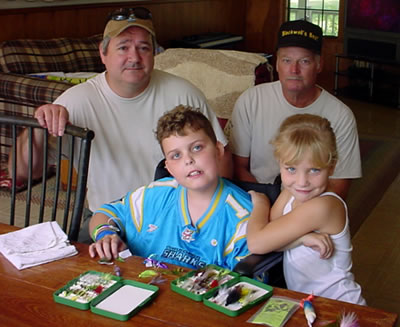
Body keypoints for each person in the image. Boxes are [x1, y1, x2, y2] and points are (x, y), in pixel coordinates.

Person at [10, 7, 231, 242]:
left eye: (143, 48)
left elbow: (221, 156)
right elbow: (21, 172)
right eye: (123, 47)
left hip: (177, 219)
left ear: (154, 54)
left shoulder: (183, 93)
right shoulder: (75, 102)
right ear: (103, 53)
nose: (134, 58)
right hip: (107, 219)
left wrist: (214, 214)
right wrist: (39, 128)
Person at [88, 105, 251, 270]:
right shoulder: (153, 196)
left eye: (197, 148)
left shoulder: (242, 217)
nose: (188, 160)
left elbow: (243, 285)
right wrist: (106, 234)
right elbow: (104, 213)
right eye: (176, 155)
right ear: (169, 168)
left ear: (218, 151)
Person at [230, 19, 361, 199]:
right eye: (286, 60)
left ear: (319, 64)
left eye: (304, 61)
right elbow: (237, 166)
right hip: (258, 197)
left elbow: (339, 187)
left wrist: (293, 214)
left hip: (311, 206)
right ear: (277, 64)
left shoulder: (340, 115)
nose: (294, 69)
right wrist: (266, 204)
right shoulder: (251, 100)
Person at [247, 113, 366, 305]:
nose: (302, 182)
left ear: (332, 167)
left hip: (339, 304)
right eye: (291, 169)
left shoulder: (323, 206)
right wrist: (301, 239)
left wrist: (261, 204)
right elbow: (272, 236)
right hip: (311, 304)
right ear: (280, 164)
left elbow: (257, 242)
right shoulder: (291, 191)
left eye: (314, 170)